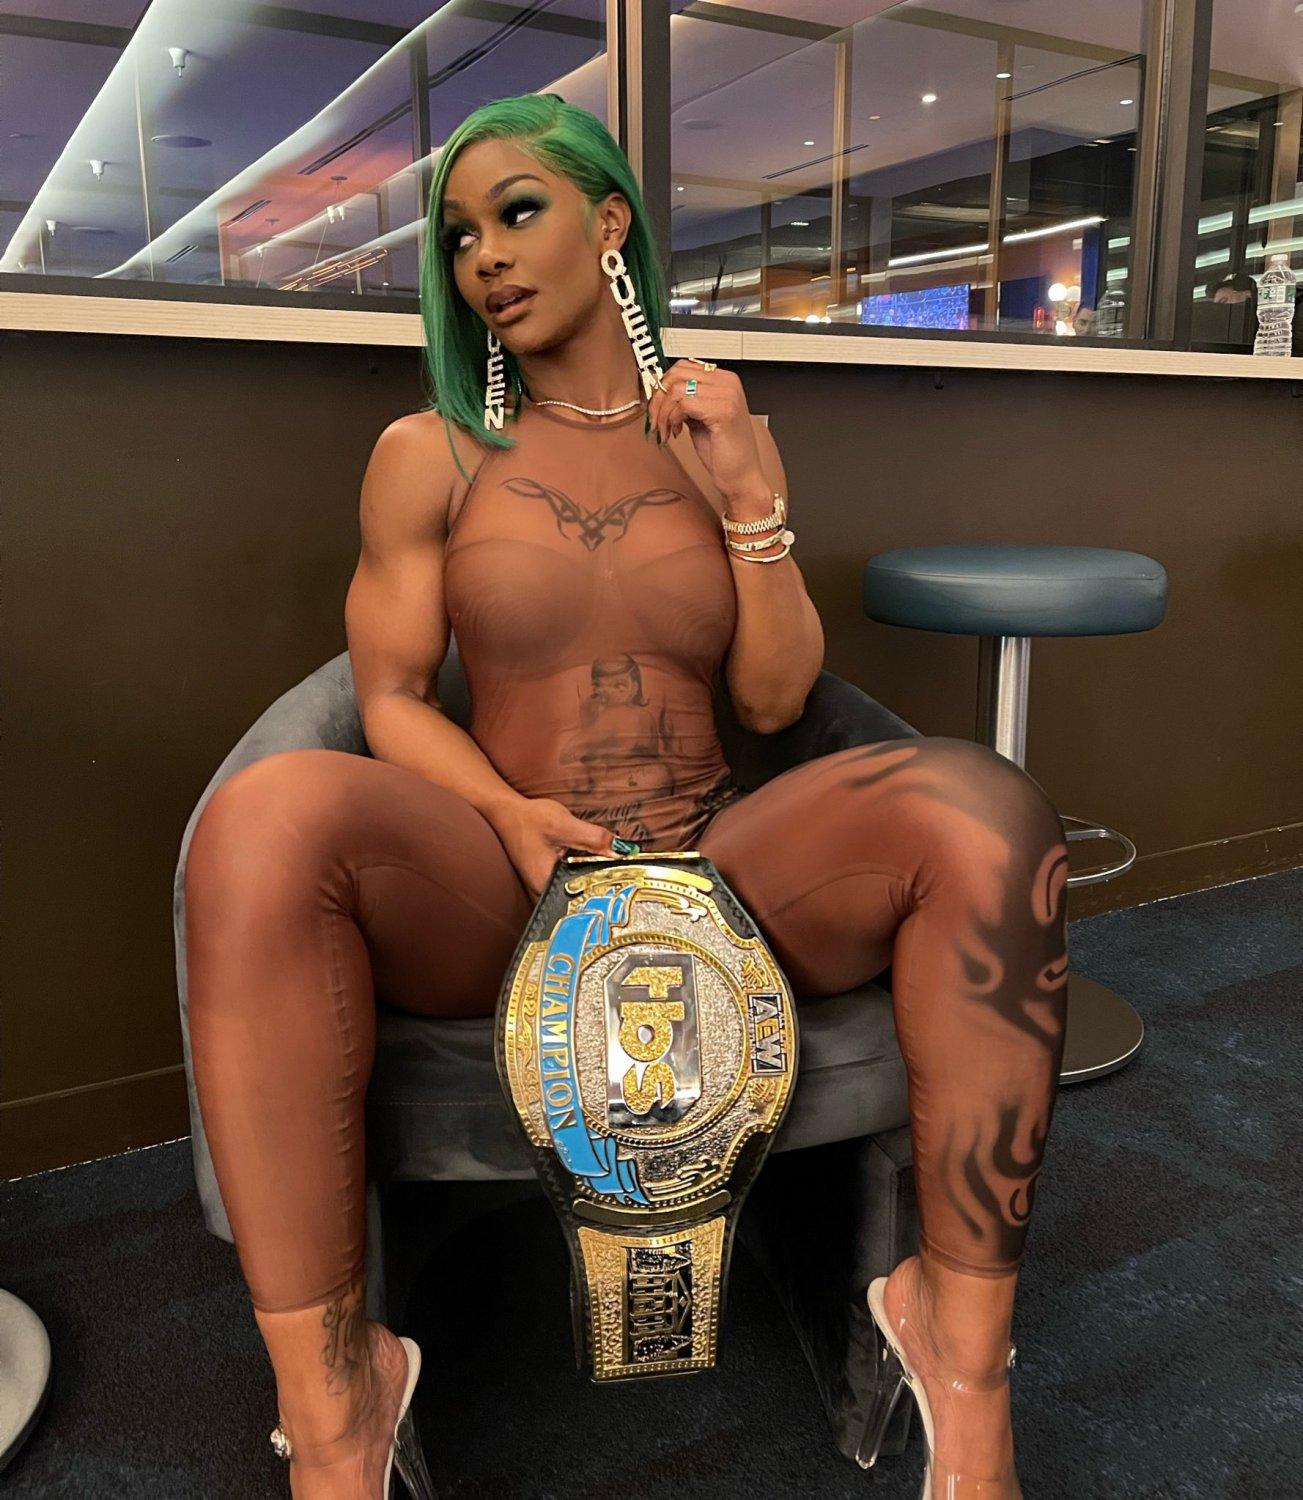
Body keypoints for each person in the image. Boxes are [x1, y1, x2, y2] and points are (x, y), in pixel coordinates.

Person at [184, 93, 1070, 1499]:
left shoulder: (711, 432)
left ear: (610, 223)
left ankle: (959, 1362)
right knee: (262, 819)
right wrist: (505, 815)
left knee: (989, 810)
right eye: (458, 234)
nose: (484, 254)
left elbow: (775, 701)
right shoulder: (429, 453)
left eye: (517, 211)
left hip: (718, 860)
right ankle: (339, 1398)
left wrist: (753, 499)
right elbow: (393, 698)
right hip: (504, 879)